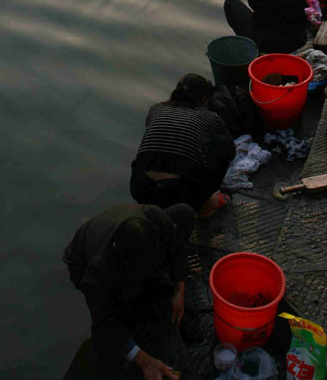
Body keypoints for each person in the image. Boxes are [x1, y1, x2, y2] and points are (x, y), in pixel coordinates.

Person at [63, 202, 195, 380]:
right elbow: (104, 324)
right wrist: (144, 360)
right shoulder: (98, 272)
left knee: (184, 214)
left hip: (124, 239)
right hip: (82, 261)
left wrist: (179, 291)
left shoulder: (153, 217)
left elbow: (175, 244)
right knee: (113, 330)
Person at [130, 74, 235, 218]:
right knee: (223, 143)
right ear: (204, 99)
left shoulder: (155, 109)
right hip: (183, 196)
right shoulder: (211, 117)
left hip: (140, 189)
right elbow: (231, 149)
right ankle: (204, 204)